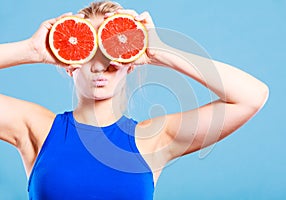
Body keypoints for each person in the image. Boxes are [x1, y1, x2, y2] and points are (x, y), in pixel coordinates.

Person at [0, 1, 269, 199]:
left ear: (130, 61)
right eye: (88, 51)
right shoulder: (37, 128)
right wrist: (31, 50)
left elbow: (251, 97)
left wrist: (161, 51)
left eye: (111, 50)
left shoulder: (153, 140)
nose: (100, 65)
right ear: (69, 63)